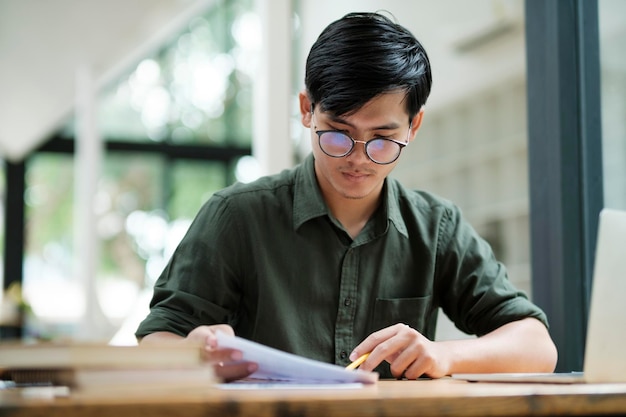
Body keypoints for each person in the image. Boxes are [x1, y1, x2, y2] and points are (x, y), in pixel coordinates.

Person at [136, 11, 557, 381]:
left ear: (414, 126)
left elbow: (537, 345)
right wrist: (194, 347)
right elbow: (156, 339)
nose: (358, 159)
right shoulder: (236, 217)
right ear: (306, 109)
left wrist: (443, 354)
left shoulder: (436, 227)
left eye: (382, 139)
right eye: (338, 134)